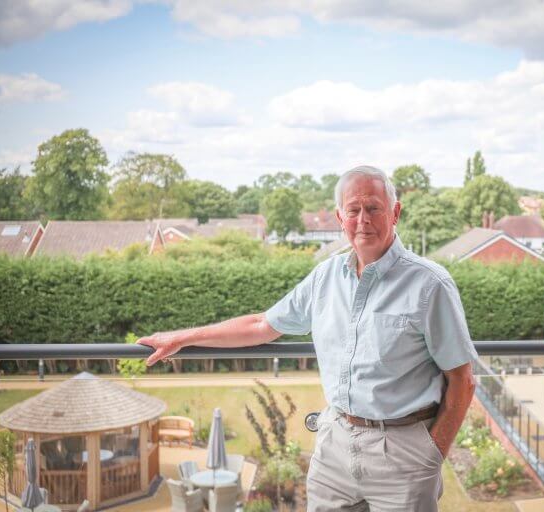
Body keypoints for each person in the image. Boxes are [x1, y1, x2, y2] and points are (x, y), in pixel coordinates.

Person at [137, 165, 478, 511]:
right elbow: (261, 325)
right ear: (340, 217)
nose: (363, 220)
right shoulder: (325, 277)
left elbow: (462, 381)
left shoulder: (430, 285)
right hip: (334, 449)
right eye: (353, 210)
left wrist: (431, 455)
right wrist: (183, 337)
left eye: (374, 208)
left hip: (404, 456)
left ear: (395, 212)